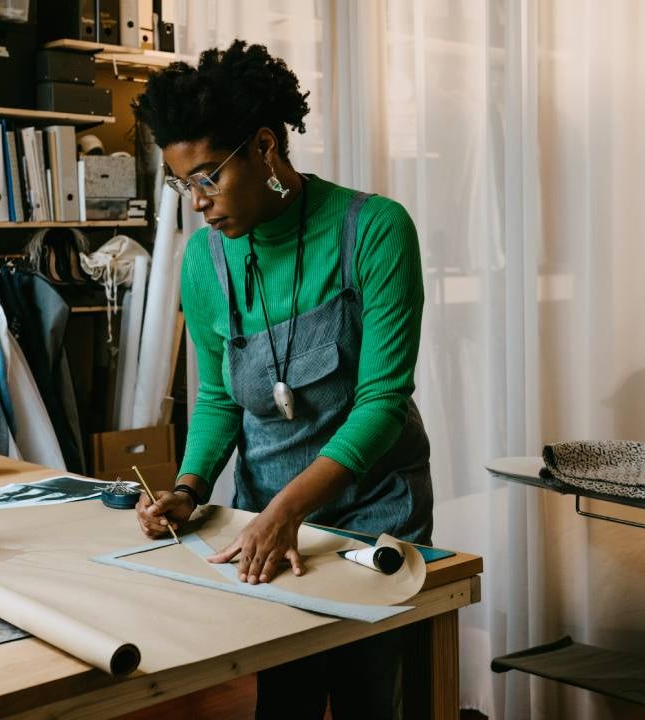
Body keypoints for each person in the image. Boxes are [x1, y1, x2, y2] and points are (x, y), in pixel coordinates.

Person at [131, 40, 432, 719]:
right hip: (262, 511)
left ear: (265, 146)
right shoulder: (204, 263)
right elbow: (217, 398)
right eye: (184, 186)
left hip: (372, 513)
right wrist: (188, 486)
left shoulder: (374, 231)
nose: (199, 203)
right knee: (286, 701)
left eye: (208, 176)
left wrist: (288, 512)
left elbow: (383, 402)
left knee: (369, 700)